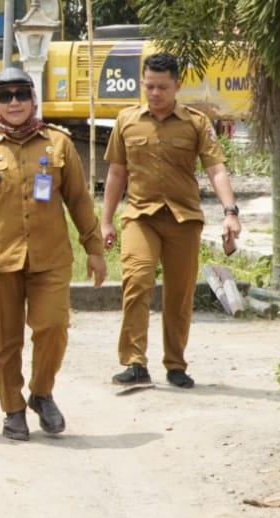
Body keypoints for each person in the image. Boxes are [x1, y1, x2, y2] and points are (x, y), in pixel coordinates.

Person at [0, 66, 108, 441]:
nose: (14, 102)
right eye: (5, 95)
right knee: (4, 340)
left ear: (33, 99)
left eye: (21, 94)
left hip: (50, 257)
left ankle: (41, 393)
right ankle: (12, 409)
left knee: (53, 327)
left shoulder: (58, 144)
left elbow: (78, 199)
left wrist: (94, 248)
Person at [102, 52, 242, 389]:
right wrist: (106, 221)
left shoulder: (196, 123)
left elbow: (216, 169)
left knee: (179, 295)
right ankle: (135, 362)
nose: (154, 93)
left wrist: (230, 212)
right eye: (149, 86)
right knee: (137, 281)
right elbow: (116, 172)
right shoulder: (126, 121)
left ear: (177, 85)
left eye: (162, 87)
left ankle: (176, 364)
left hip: (184, 219)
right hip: (140, 216)